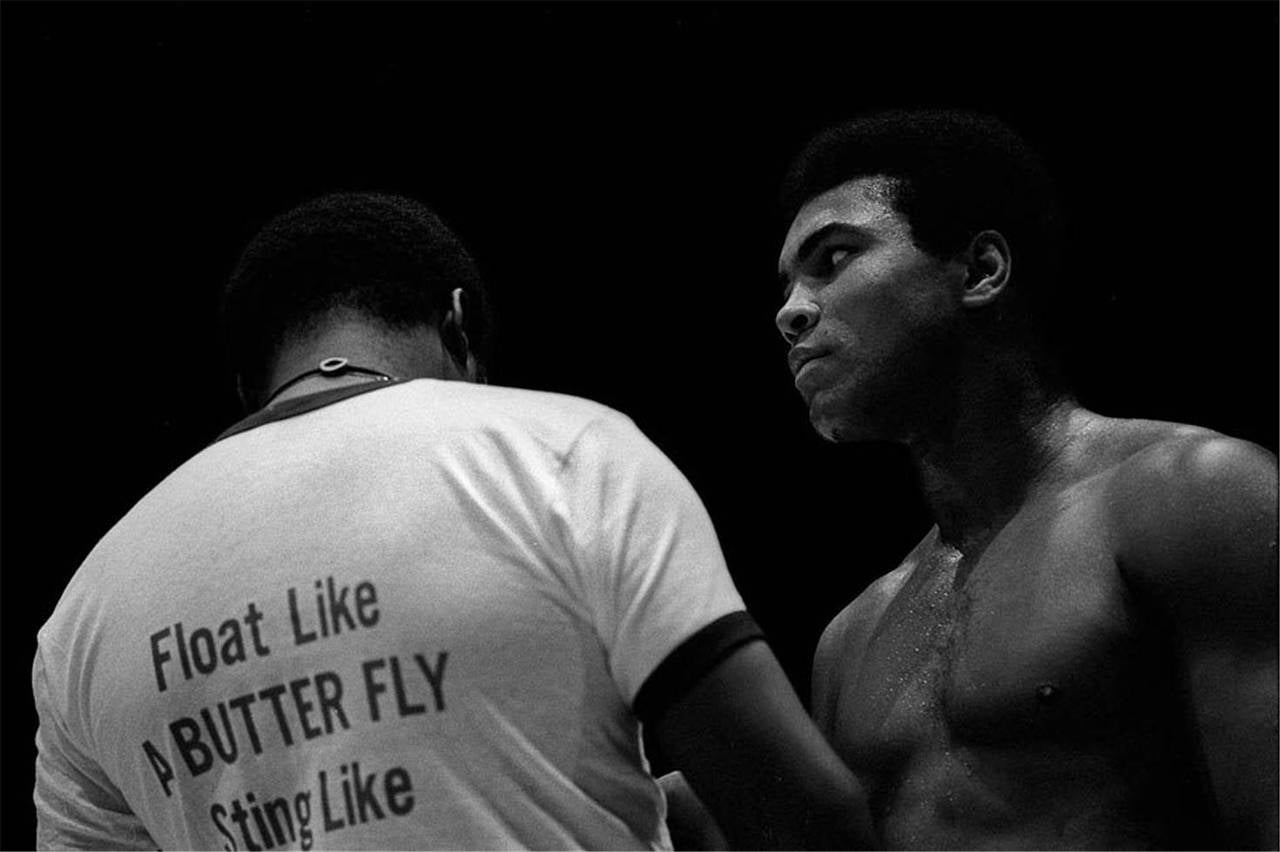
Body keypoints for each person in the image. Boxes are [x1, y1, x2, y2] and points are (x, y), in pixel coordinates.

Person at [32, 192, 871, 850]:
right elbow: (798, 815)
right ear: (459, 323)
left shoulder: (81, 617)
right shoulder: (565, 454)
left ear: (253, 387)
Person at [773, 110, 1278, 849]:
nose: (790, 311)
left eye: (833, 258)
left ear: (981, 271)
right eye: (786, 283)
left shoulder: (1192, 496)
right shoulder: (852, 636)